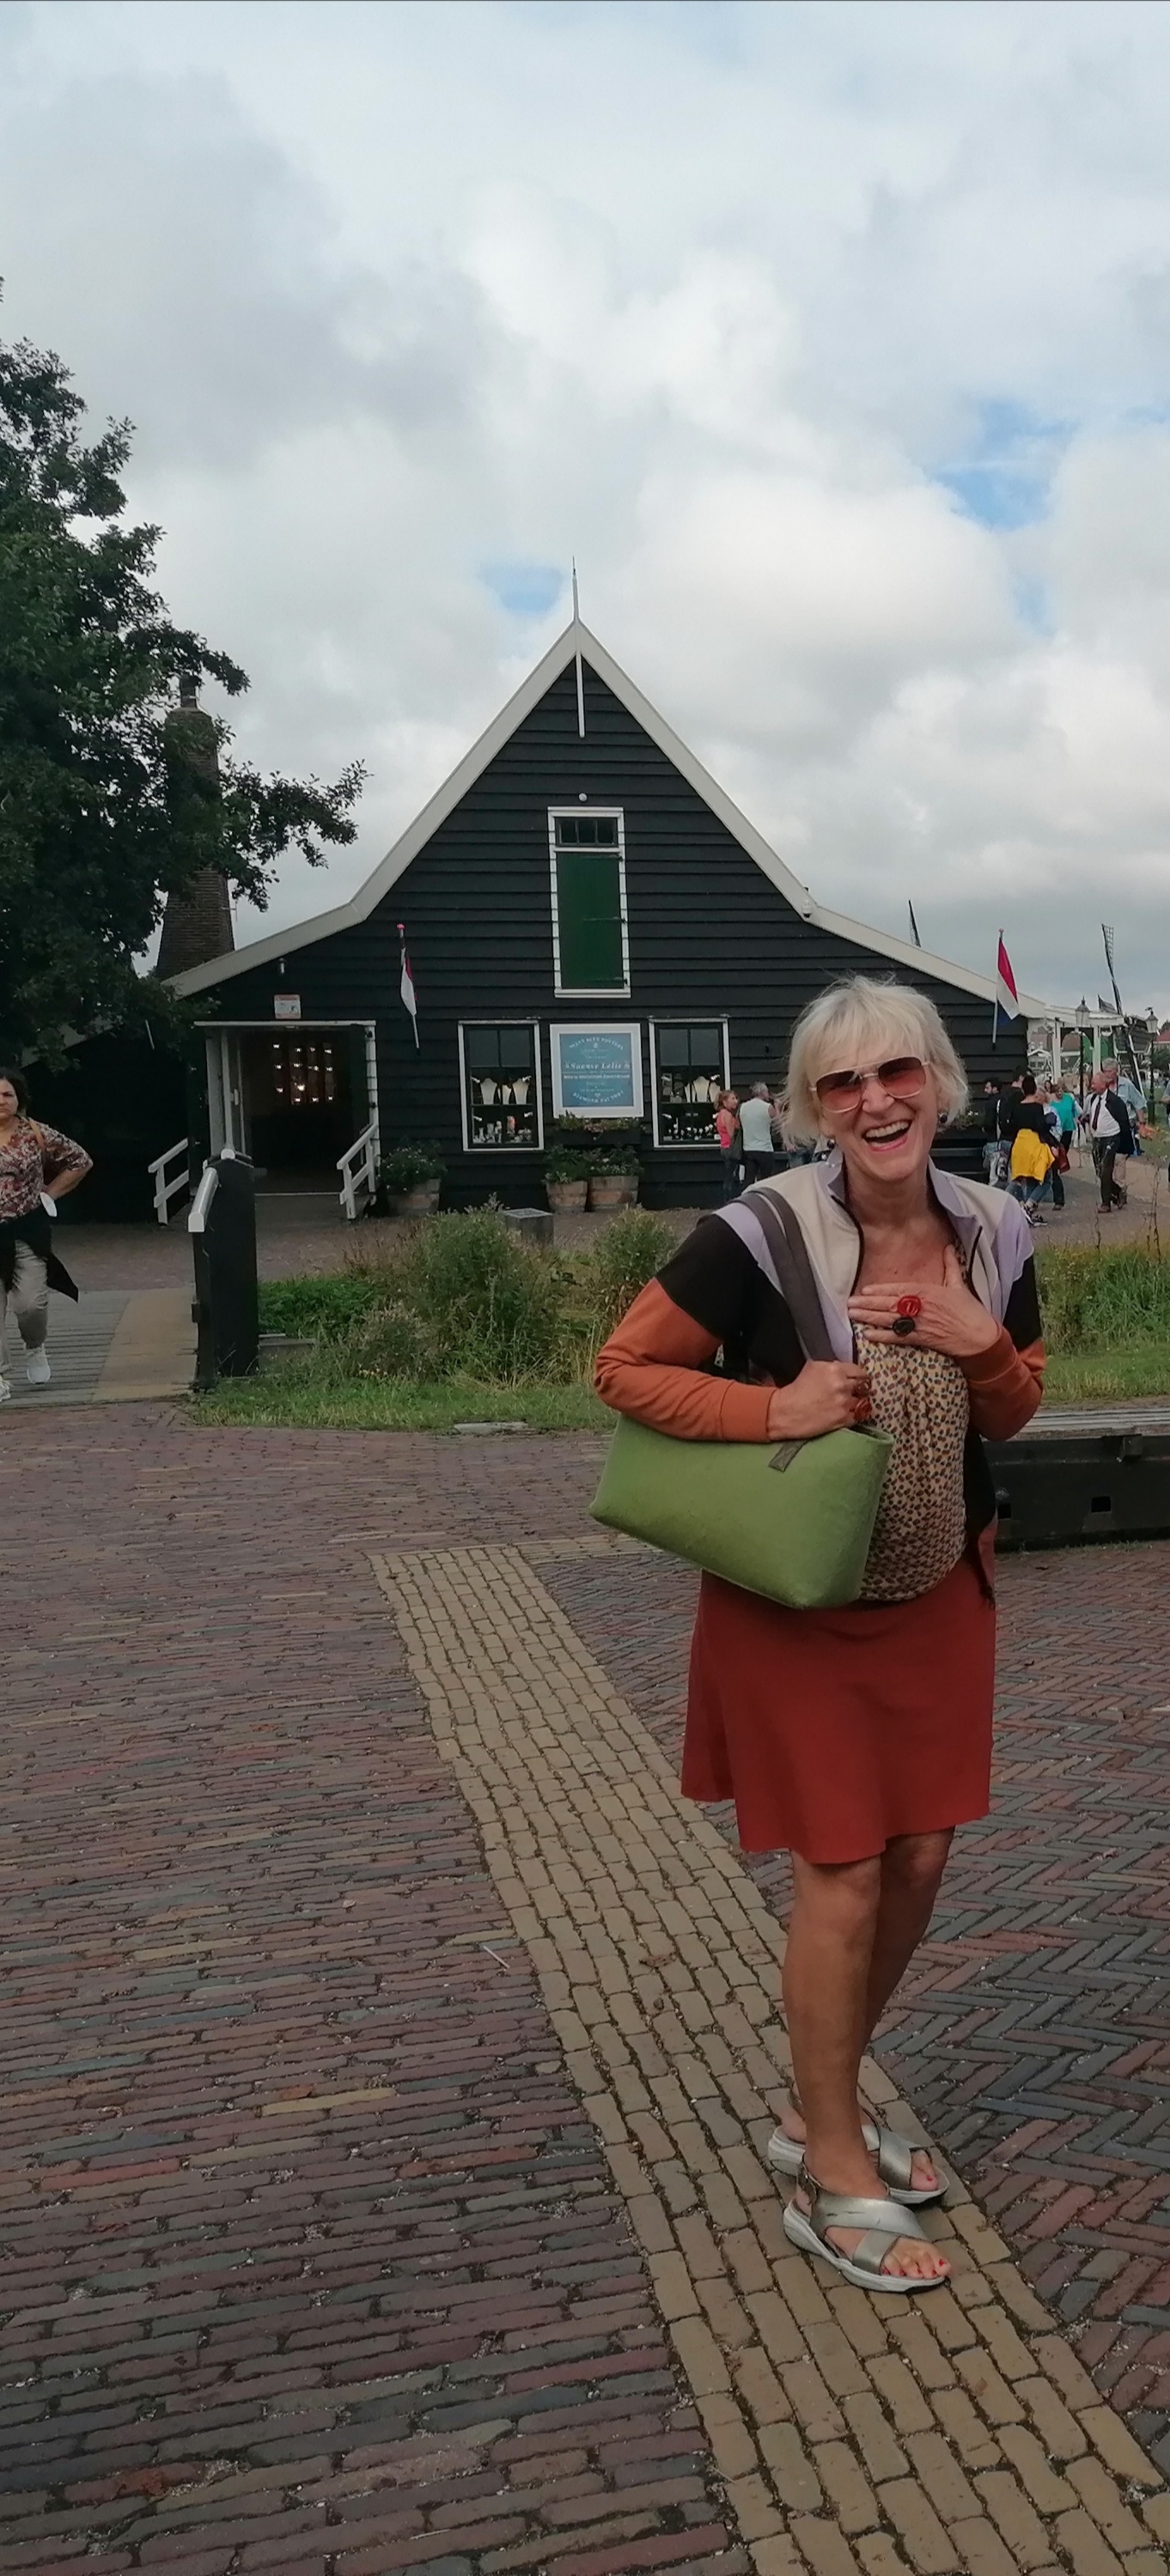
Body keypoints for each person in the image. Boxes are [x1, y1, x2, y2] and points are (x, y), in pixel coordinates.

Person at [595, 976, 1043, 2291]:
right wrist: (771, 1410)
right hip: (797, 1602)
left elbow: (1014, 1409)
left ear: (939, 1083)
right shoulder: (756, 1231)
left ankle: (817, 2102)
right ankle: (830, 2167)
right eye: (841, 1083)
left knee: (919, 1858)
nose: (875, 1101)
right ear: (808, 1107)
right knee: (841, 1872)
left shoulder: (995, 1225)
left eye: (895, 1071)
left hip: (938, 1590)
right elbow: (622, 1369)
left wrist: (980, 1349)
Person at [0, 1070, 92, 1399]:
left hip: (26, 1231)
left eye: (7, 1095)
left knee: (30, 1306)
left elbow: (80, 1161)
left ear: (18, 1099)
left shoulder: (35, 1133)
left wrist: (50, 1193)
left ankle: (35, 1345)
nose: (1, 1101)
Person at [1087, 1067, 1134, 1212]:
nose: (1092, 1086)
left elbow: (1124, 1122)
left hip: (1111, 1137)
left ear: (1103, 1084)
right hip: (1097, 1139)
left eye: (1094, 1083)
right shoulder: (1093, 1099)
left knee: (1106, 1169)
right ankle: (1118, 1193)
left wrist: (1125, 1145)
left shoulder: (1115, 1101)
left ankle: (1106, 1203)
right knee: (1099, 1171)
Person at [738, 1081, 778, 1184]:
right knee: (767, 1180)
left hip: (749, 1149)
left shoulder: (743, 1107)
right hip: (765, 1149)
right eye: (767, 1091)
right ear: (762, 1092)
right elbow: (778, 1122)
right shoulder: (768, 1107)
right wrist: (777, 1107)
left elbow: (738, 1125)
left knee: (749, 1180)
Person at [715, 1091, 740, 1200]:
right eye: (733, 1099)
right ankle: (729, 1200)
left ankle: (727, 1199)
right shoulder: (728, 1115)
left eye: (736, 1098)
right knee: (732, 1176)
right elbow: (731, 1134)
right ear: (725, 1102)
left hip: (724, 1147)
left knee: (728, 1175)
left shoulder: (720, 1114)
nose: (736, 1101)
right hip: (731, 1148)